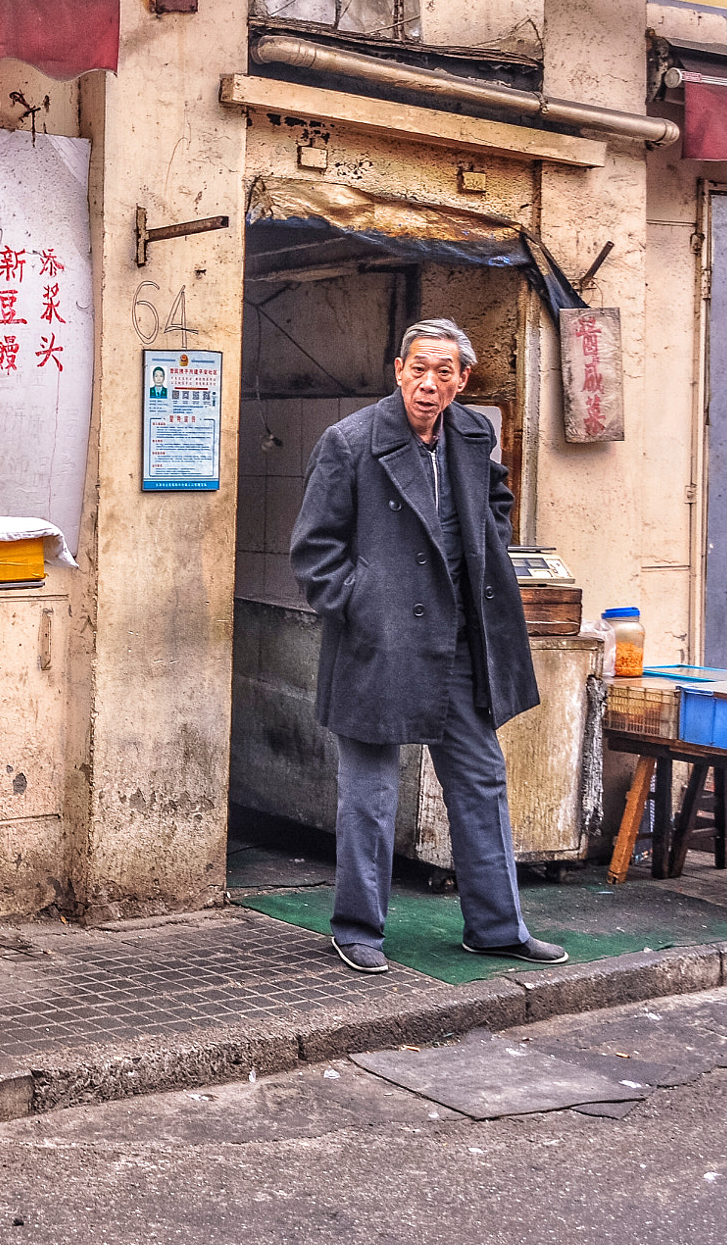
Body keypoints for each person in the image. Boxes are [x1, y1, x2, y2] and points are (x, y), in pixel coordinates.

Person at [289, 318, 568, 974]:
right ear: (398, 370)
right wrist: (364, 603)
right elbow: (314, 552)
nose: (429, 382)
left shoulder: (472, 434)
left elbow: (497, 500)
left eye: (444, 371)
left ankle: (497, 927)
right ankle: (358, 929)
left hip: (459, 645)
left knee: (481, 780)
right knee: (370, 795)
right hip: (377, 646)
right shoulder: (350, 442)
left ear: (462, 379)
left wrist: (487, 551)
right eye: (419, 368)